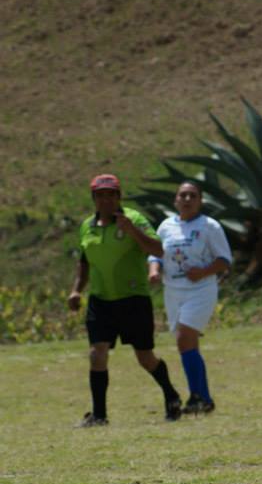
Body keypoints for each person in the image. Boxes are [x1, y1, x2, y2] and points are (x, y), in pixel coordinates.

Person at [67, 174, 183, 426]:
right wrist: (76, 290)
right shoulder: (87, 226)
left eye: (111, 194)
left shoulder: (135, 219)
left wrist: (132, 231)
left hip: (133, 300)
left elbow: (157, 249)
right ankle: (99, 415)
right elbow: (84, 261)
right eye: (100, 195)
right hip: (100, 300)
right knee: (97, 354)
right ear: (94, 199)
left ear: (119, 197)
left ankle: (171, 394)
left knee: (145, 358)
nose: (106, 200)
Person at [148, 182, 232, 415]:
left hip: (200, 290)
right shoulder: (166, 226)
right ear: (175, 200)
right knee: (188, 343)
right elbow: (156, 253)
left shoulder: (209, 227)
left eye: (192, 196)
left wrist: (203, 271)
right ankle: (203, 399)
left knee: (184, 339)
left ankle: (197, 396)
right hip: (173, 291)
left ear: (200, 200)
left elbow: (224, 260)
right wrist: (154, 270)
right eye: (182, 195)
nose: (187, 199)